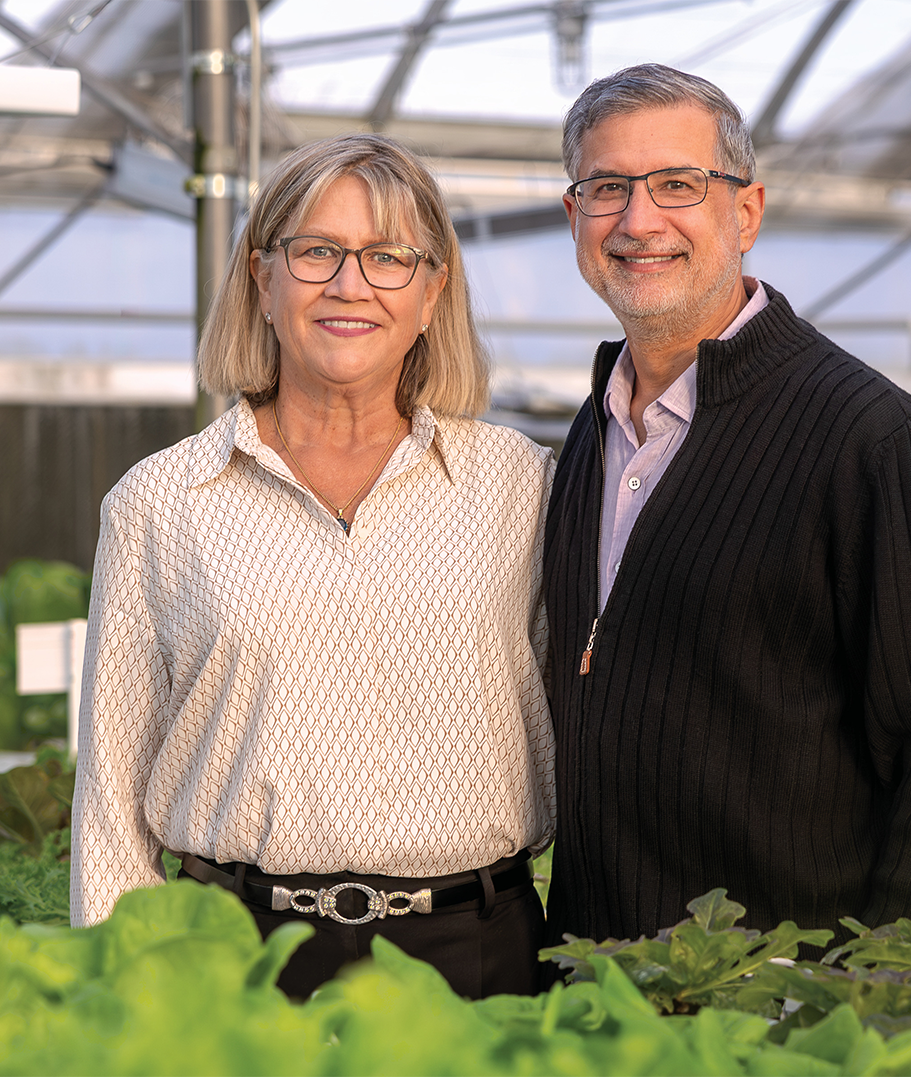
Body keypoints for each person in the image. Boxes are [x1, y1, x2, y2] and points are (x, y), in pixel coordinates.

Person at [71, 133, 556, 1001]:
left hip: (478, 959)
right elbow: (111, 803)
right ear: (262, 280)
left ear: (434, 290)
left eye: (388, 257)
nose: (349, 283)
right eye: (316, 251)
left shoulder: (524, 486)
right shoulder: (159, 501)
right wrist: (122, 998)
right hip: (236, 957)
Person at [541, 64, 911, 950]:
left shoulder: (866, 438)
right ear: (576, 218)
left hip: (785, 1003)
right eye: (608, 189)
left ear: (745, 212)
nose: (639, 221)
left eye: (678, 184)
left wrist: (874, 1009)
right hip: (602, 1001)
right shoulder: (594, 433)